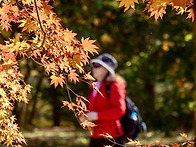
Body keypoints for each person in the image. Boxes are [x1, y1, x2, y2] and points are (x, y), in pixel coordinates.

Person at [86, 53, 126, 147]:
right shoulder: (94, 86)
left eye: (97, 65)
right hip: (95, 135)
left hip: (112, 137)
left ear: (106, 69)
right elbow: (91, 108)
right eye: (93, 65)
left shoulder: (114, 85)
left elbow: (119, 110)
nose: (94, 68)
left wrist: (97, 115)